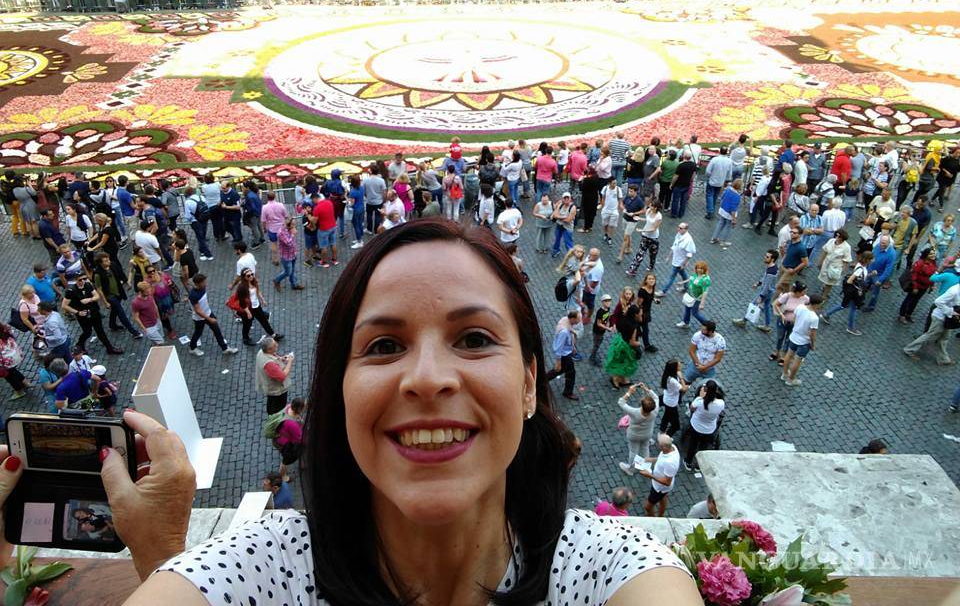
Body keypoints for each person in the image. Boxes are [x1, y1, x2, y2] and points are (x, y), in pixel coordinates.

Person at [67, 220, 698, 604]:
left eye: (474, 338)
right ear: (340, 389)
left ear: (530, 383)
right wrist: (162, 561)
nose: (426, 378)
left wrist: (160, 555)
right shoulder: (259, 567)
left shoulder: (612, 569)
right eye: (384, 346)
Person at [62, 272, 123, 356]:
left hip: (94, 311)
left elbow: (97, 296)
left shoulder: (88, 285)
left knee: (100, 330)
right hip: (83, 315)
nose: (83, 281)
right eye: (80, 280)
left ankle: (109, 348)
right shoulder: (71, 291)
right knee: (87, 332)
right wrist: (77, 312)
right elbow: (64, 305)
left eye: (84, 279)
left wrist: (89, 300)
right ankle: (80, 344)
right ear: (76, 280)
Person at [903, 283, 960, 365]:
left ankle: (943, 359)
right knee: (930, 336)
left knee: (944, 339)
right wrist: (951, 312)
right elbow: (938, 302)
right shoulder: (954, 291)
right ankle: (909, 350)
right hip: (940, 318)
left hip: (948, 319)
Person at [822, 250, 875, 336]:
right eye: (872, 259)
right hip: (854, 293)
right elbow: (850, 281)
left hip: (853, 293)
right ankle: (850, 327)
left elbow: (860, 278)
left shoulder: (860, 266)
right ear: (868, 260)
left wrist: (870, 274)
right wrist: (859, 289)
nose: (873, 260)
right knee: (852, 308)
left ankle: (827, 314)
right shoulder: (860, 269)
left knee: (845, 305)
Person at [187, 274, 239, 357]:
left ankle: (225, 348)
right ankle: (192, 348)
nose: (205, 283)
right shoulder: (193, 295)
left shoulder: (202, 288)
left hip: (208, 313)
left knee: (217, 330)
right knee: (198, 333)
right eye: (203, 282)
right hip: (199, 318)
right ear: (197, 284)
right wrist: (209, 319)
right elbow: (198, 311)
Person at [92, 252, 141, 340]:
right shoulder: (97, 274)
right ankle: (133, 332)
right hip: (109, 295)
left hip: (118, 291)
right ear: (100, 263)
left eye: (108, 259)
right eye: (105, 261)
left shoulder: (113, 265)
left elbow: (120, 273)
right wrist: (105, 302)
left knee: (115, 309)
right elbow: (98, 289)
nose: (108, 261)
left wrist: (127, 282)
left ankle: (112, 324)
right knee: (121, 312)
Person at [617, 383, 659, 475]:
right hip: (647, 434)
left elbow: (621, 402)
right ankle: (646, 467)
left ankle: (630, 469)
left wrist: (629, 392)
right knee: (645, 448)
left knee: (633, 452)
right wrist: (646, 389)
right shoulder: (655, 410)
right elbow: (656, 397)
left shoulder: (635, 412)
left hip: (634, 435)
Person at [732, 249, 779, 333]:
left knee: (753, 304)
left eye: (767, 257)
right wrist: (758, 283)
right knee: (767, 307)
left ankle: (743, 321)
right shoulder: (772, 267)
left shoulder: (771, 272)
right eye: (765, 256)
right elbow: (765, 278)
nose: (765, 257)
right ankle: (767, 326)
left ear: (772, 259)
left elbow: (767, 286)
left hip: (766, 292)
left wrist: (761, 296)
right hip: (770, 291)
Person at [781, 295, 822, 386]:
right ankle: (791, 379)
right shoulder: (814, 318)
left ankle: (785, 374)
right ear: (816, 304)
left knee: (789, 355)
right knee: (798, 360)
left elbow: (794, 320)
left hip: (793, 336)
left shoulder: (800, 307)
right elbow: (812, 334)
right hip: (804, 342)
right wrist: (813, 344)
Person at [684, 380, 725, 472]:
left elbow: (692, 408)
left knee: (693, 445)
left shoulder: (699, 401)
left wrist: (700, 397)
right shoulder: (720, 403)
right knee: (703, 447)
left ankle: (688, 462)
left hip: (696, 427)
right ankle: (698, 465)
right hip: (709, 430)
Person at [235, 269, 283, 346]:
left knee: (264, 320)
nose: (251, 276)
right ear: (244, 277)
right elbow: (242, 302)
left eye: (252, 274)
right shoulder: (242, 288)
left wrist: (262, 300)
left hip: (256, 306)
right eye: (248, 275)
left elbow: (257, 291)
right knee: (247, 324)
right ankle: (245, 338)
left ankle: (273, 335)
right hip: (248, 309)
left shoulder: (253, 281)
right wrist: (248, 313)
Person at [637, 434, 681, 517]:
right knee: (663, 498)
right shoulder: (672, 447)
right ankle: (661, 516)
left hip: (659, 488)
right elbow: (662, 458)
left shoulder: (670, 463)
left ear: (664, 447)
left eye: (658, 444)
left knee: (647, 507)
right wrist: (651, 460)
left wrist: (650, 475)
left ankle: (652, 518)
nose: (657, 444)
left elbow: (667, 482)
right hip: (662, 489)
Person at [770, 281, 810, 366]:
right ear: (797, 292)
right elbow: (776, 305)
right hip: (783, 321)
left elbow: (809, 308)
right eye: (803, 291)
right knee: (780, 337)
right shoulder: (787, 296)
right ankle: (777, 351)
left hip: (795, 323)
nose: (805, 293)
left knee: (789, 338)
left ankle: (783, 355)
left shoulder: (805, 299)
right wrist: (781, 315)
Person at [605, 302, 641, 390]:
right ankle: (615, 380)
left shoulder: (623, 318)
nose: (641, 314)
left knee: (619, 362)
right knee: (623, 364)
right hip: (626, 347)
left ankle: (622, 379)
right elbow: (632, 342)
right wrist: (639, 343)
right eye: (639, 313)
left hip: (619, 342)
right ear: (635, 315)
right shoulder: (634, 327)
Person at [899, 248, 939, 323]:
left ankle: (908, 314)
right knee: (909, 300)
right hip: (917, 286)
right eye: (930, 254)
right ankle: (902, 315)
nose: (933, 255)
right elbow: (914, 275)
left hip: (924, 287)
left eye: (933, 253)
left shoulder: (933, 263)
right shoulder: (920, 263)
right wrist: (915, 287)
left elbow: (932, 275)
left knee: (916, 301)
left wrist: (932, 285)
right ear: (926, 255)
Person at [256, 337, 294, 414]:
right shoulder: (269, 364)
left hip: (269, 386)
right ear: (269, 349)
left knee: (271, 401)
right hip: (277, 390)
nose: (277, 344)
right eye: (274, 345)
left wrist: (281, 358)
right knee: (278, 406)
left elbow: (273, 356)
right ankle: (276, 418)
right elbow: (282, 376)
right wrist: (290, 361)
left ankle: (271, 413)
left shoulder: (261, 352)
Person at [657, 222, 696, 295]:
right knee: (683, 274)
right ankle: (686, 287)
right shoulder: (679, 234)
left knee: (672, 276)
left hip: (680, 262)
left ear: (686, 229)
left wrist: (683, 264)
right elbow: (674, 246)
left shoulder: (688, 240)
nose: (678, 229)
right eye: (678, 227)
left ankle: (663, 291)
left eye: (681, 228)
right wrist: (669, 257)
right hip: (676, 260)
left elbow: (690, 254)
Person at [548, 310, 579, 401]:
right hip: (565, 355)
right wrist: (558, 361)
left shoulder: (566, 320)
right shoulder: (564, 332)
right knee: (571, 373)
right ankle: (568, 392)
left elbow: (570, 333)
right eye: (578, 319)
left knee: (559, 370)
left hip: (566, 353)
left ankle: (542, 380)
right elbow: (559, 347)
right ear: (572, 318)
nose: (579, 321)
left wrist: (573, 346)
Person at [625, 202, 662, 276]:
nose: (649, 207)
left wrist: (642, 230)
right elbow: (648, 220)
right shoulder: (648, 211)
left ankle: (651, 265)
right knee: (640, 253)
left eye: (651, 206)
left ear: (655, 208)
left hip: (653, 238)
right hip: (645, 236)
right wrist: (639, 218)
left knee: (652, 254)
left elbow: (654, 229)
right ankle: (633, 269)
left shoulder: (659, 216)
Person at [817, 229, 853, 303]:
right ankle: (824, 288)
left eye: (839, 237)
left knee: (829, 282)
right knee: (824, 279)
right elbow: (824, 251)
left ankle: (824, 296)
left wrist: (842, 271)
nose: (837, 237)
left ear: (843, 238)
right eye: (836, 235)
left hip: (835, 267)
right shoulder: (831, 241)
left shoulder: (846, 247)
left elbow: (846, 260)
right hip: (826, 263)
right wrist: (820, 262)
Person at [658, 359, 687, 437]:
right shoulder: (673, 380)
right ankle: (666, 437)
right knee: (676, 426)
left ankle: (662, 429)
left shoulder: (668, 375)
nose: (681, 366)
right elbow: (684, 389)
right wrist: (681, 378)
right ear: (675, 368)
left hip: (667, 399)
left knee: (667, 415)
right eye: (679, 365)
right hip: (671, 403)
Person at [677, 260, 711, 328]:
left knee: (695, 313)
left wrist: (702, 303)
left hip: (697, 298)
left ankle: (708, 325)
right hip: (690, 295)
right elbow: (690, 279)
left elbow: (705, 292)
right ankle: (686, 322)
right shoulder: (695, 274)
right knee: (687, 308)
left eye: (701, 268)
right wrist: (682, 282)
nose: (699, 270)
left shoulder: (705, 279)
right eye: (698, 268)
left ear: (704, 269)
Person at [0, 323, 30, 399]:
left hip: (5, 362)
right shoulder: (5, 329)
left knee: (9, 376)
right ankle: (25, 382)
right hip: (14, 355)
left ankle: (19, 391)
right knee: (12, 371)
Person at [710, 178, 741, 246]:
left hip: (722, 210)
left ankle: (714, 238)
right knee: (728, 227)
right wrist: (734, 219)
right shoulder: (737, 196)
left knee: (720, 224)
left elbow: (722, 198)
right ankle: (723, 241)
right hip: (729, 214)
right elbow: (733, 209)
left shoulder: (727, 190)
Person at [704, 147, 733, 220]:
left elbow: (708, 171)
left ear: (720, 151)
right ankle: (712, 210)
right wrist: (726, 180)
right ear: (726, 152)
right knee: (715, 196)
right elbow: (729, 173)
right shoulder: (729, 161)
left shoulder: (715, 159)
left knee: (710, 196)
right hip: (720, 182)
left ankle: (710, 211)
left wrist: (709, 176)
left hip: (712, 181)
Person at [259, 191, 287, 266]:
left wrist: (264, 228)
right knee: (283, 243)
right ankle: (285, 257)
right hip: (281, 228)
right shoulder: (281, 205)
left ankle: (276, 259)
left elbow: (263, 220)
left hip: (272, 229)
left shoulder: (264, 207)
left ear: (267, 197)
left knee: (274, 244)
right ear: (275, 196)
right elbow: (286, 216)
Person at [550, 192, 577, 257]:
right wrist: (564, 217)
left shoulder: (573, 207)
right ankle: (556, 250)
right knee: (557, 239)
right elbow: (555, 215)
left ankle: (571, 255)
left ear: (570, 199)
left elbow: (568, 220)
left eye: (568, 198)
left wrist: (559, 217)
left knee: (568, 242)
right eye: (565, 198)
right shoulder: (560, 205)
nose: (566, 199)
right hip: (559, 225)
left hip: (568, 227)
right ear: (562, 199)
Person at [670, 152, 697, 218]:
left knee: (675, 200)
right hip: (687, 185)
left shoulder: (681, 165)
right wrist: (690, 180)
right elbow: (693, 175)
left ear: (683, 156)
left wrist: (672, 184)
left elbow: (676, 176)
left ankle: (674, 214)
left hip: (678, 185)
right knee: (683, 201)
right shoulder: (693, 164)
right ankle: (681, 214)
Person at [589, 294, 614, 363]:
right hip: (597, 331)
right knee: (596, 345)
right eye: (606, 301)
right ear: (602, 302)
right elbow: (598, 323)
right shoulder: (600, 312)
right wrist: (607, 328)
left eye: (609, 301)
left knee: (599, 342)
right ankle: (592, 357)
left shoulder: (608, 309)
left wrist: (608, 324)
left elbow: (607, 317)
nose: (608, 302)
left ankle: (594, 353)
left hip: (602, 331)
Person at [598, 177, 622, 245]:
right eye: (613, 183)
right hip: (606, 210)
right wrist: (602, 206)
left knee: (611, 225)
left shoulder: (618, 189)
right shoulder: (605, 188)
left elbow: (620, 199)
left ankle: (609, 237)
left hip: (614, 211)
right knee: (605, 224)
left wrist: (619, 207)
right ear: (609, 183)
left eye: (615, 183)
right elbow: (603, 198)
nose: (615, 184)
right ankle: (606, 233)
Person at [363, 165, 387, 232]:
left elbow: (363, 191)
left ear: (371, 171)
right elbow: (384, 191)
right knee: (378, 216)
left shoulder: (365, 180)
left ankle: (369, 229)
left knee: (369, 215)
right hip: (378, 201)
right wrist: (384, 200)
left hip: (369, 201)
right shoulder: (381, 180)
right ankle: (376, 230)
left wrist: (367, 196)